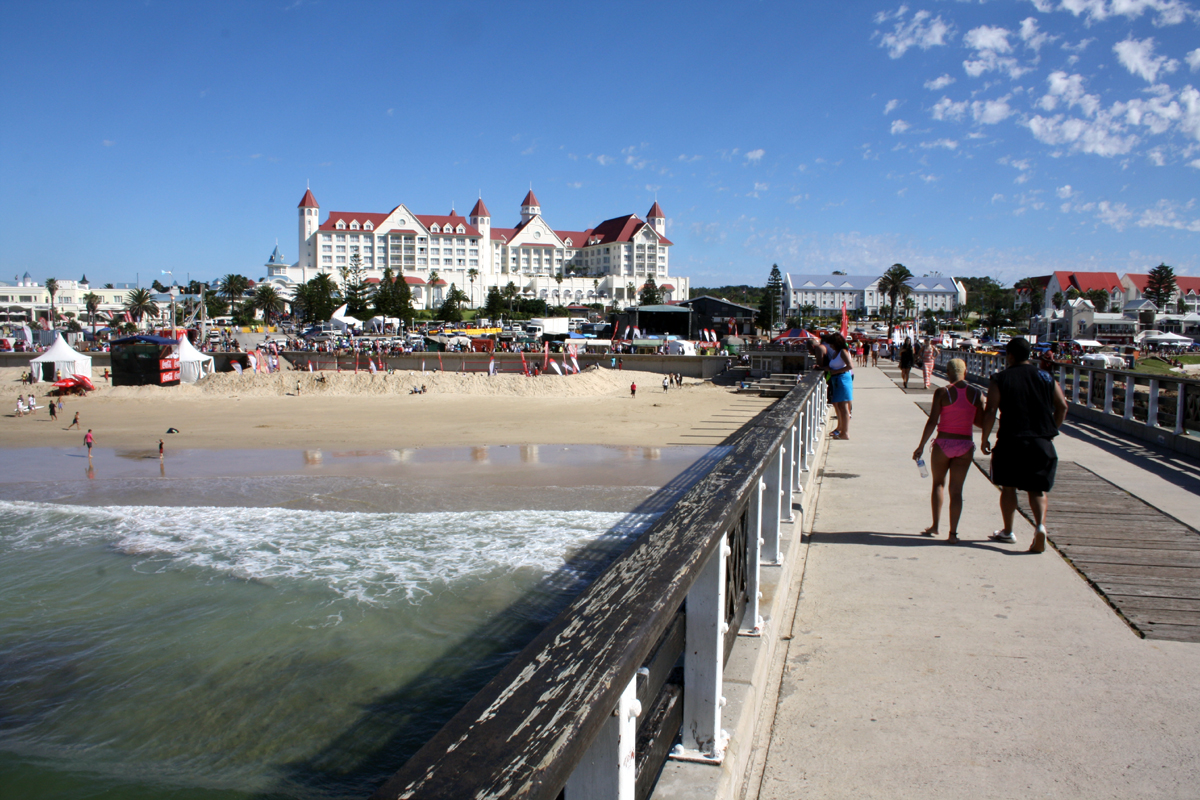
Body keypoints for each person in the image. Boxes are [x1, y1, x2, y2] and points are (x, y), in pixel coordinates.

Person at [980, 338, 1069, 553]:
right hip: (1041, 441)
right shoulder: (1046, 377)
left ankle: (1008, 531)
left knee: (1008, 487)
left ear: (1010, 355)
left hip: (1011, 440)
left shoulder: (1000, 378)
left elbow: (991, 409)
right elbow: (1062, 406)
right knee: (1036, 489)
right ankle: (1040, 527)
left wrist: (984, 438)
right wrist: (1051, 431)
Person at [912, 358, 984, 542]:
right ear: (965, 372)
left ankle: (935, 526)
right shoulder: (977, 394)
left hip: (943, 444)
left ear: (949, 373)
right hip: (966, 445)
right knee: (957, 491)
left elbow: (933, 420)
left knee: (938, 484)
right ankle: (953, 534)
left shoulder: (943, 392)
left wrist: (921, 446)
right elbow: (981, 421)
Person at [822, 333, 854, 440]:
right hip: (837, 380)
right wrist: (823, 368)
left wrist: (835, 371)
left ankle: (845, 433)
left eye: (831, 344)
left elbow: (850, 366)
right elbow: (833, 366)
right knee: (839, 405)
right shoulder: (836, 352)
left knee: (844, 406)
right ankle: (841, 430)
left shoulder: (843, 352)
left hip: (843, 379)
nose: (830, 346)